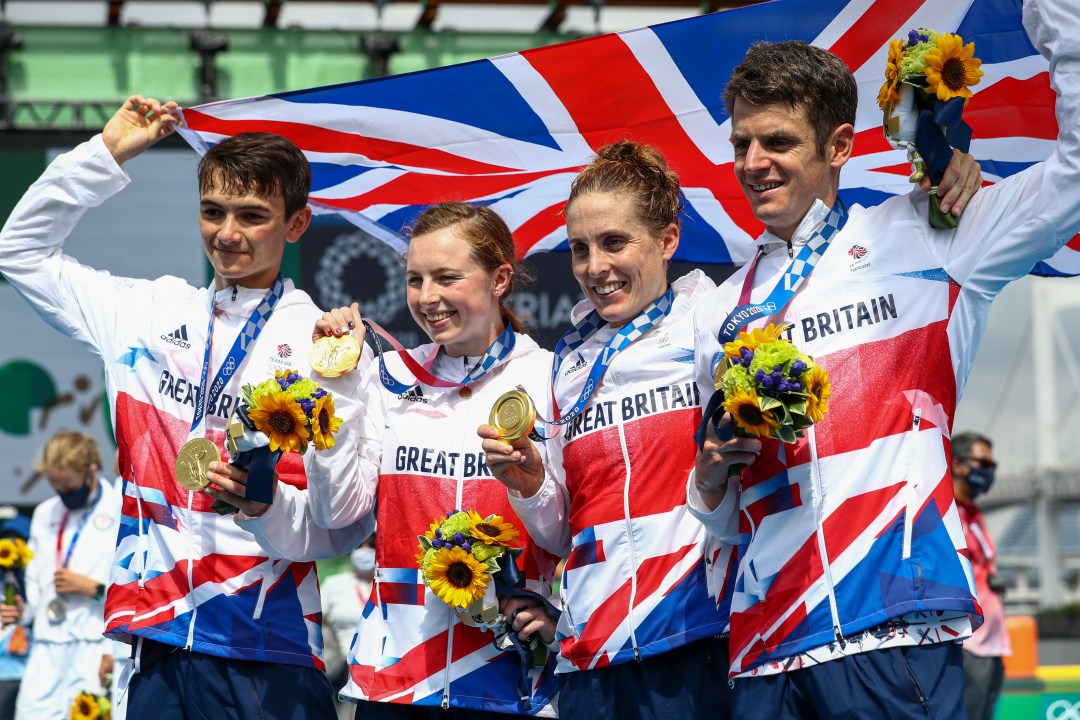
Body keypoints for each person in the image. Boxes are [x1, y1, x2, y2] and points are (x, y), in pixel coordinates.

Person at [687, 0, 1078, 715]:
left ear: (838, 147)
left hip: (895, 632)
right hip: (764, 652)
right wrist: (709, 479)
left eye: (776, 141)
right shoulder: (716, 311)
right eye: (741, 142)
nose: (751, 164)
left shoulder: (932, 233)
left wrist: (1051, 8)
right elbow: (716, 517)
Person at [0, 96, 337, 719]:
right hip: (155, 633)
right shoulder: (146, 313)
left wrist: (266, 505)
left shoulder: (325, 345)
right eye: (212, 211)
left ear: (296, 224)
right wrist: (105, 156)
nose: (227, 233)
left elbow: (342, 521)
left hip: (266, 642)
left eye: (251, 215)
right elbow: (19, 251)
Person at [220, 202, 561, 718]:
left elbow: (575, 529)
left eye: (447, 277)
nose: (427, 298)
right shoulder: (387, 379)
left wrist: (564, 618)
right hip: (395, 682)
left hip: (512, 682)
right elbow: (337, 517)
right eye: (415, 279)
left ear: (500, 278)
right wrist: (337, 384)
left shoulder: (552, 380)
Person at [479, 141, 733, 720]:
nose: (595, 267)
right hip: (592, 650)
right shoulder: (565, 364)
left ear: (667, 240)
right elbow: (560, 529)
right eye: (579, 249)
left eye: (615, 243)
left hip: (693, 636)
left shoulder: (710, 323)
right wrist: (530, 483)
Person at [0, 432, 119, 720]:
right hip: (46, 645)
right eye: (55, 485)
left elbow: (133, 586)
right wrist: (22, 610)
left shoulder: (118, 509)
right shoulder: (44, 514)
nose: (62, 492)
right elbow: (36, 586)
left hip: (94, 645)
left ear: (91, 469)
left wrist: (93, 588)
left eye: (68, 484)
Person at [952, 432, 1010, 720]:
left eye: (992, 465)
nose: (989, 471)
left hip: (992, 644)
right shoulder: (947, 514)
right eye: (983, 463)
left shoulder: (974, 514)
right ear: (958, 464)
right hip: (969, 645)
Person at [322, 541, 375, 720]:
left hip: (380, 670)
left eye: (372, 543)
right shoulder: (333, 584)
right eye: (360, 545)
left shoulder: (391, 585)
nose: (366, 550)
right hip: (341, 671)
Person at [0, 514, 32, 720]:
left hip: (26, 670)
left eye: (19, 541)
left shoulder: (33, 579)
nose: (12, 547)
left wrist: (23, 613)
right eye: (6, 540)